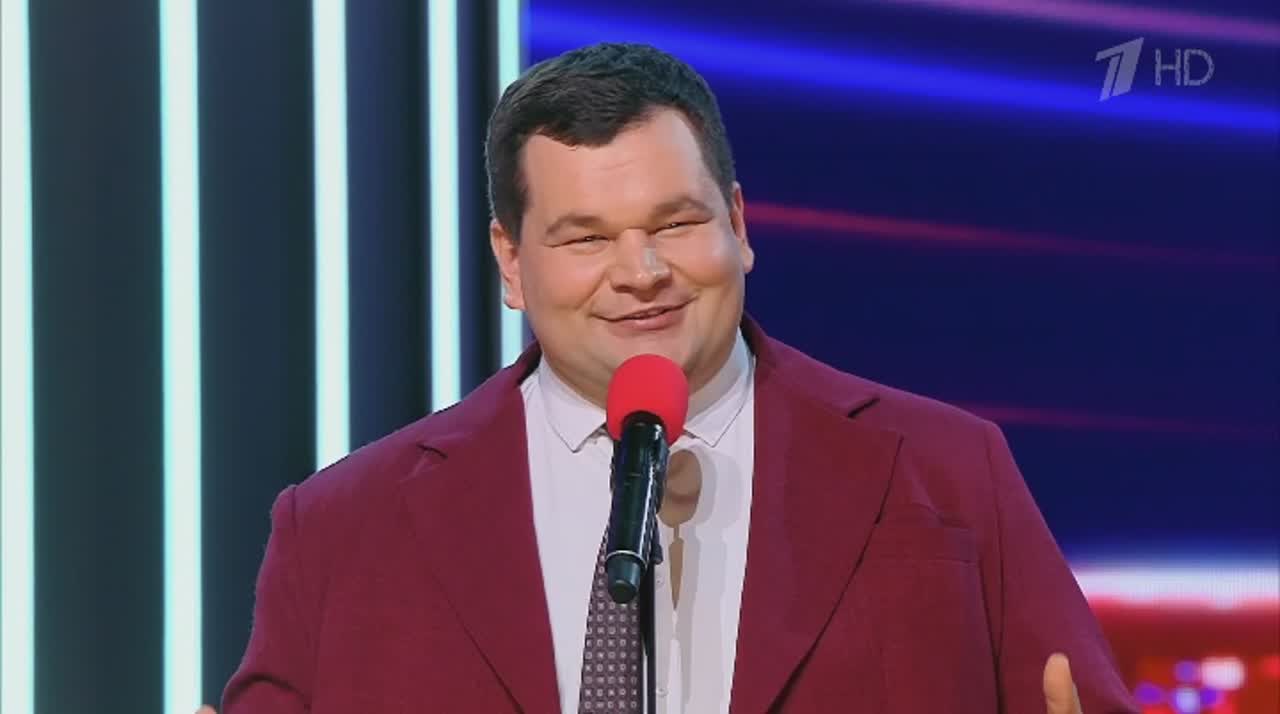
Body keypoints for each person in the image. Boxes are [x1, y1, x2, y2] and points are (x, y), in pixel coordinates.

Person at [210, 42, 1138, 713]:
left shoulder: (947, 469)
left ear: (738, 224)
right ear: (511, 261)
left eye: (677, 223)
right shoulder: (341, 528)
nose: (642, 271)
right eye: (585, 238)